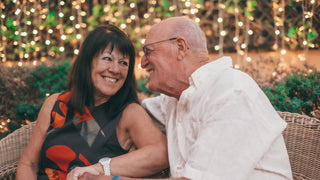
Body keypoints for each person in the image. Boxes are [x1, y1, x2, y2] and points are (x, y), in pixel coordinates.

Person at [78, 16, 293, 180]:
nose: (142, 63)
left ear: (180, 47)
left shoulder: (231, 91)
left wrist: (110, 177)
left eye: (147, 51)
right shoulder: (175, 100)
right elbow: (124, 114)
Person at [16, 24, 168, 180]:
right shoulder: (57, 103)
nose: (115, 69)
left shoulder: (129, 112)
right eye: (108, 59)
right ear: (87, 62)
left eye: (123, 63)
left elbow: (161, 153)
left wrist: (100, 168)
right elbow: (28, 164)